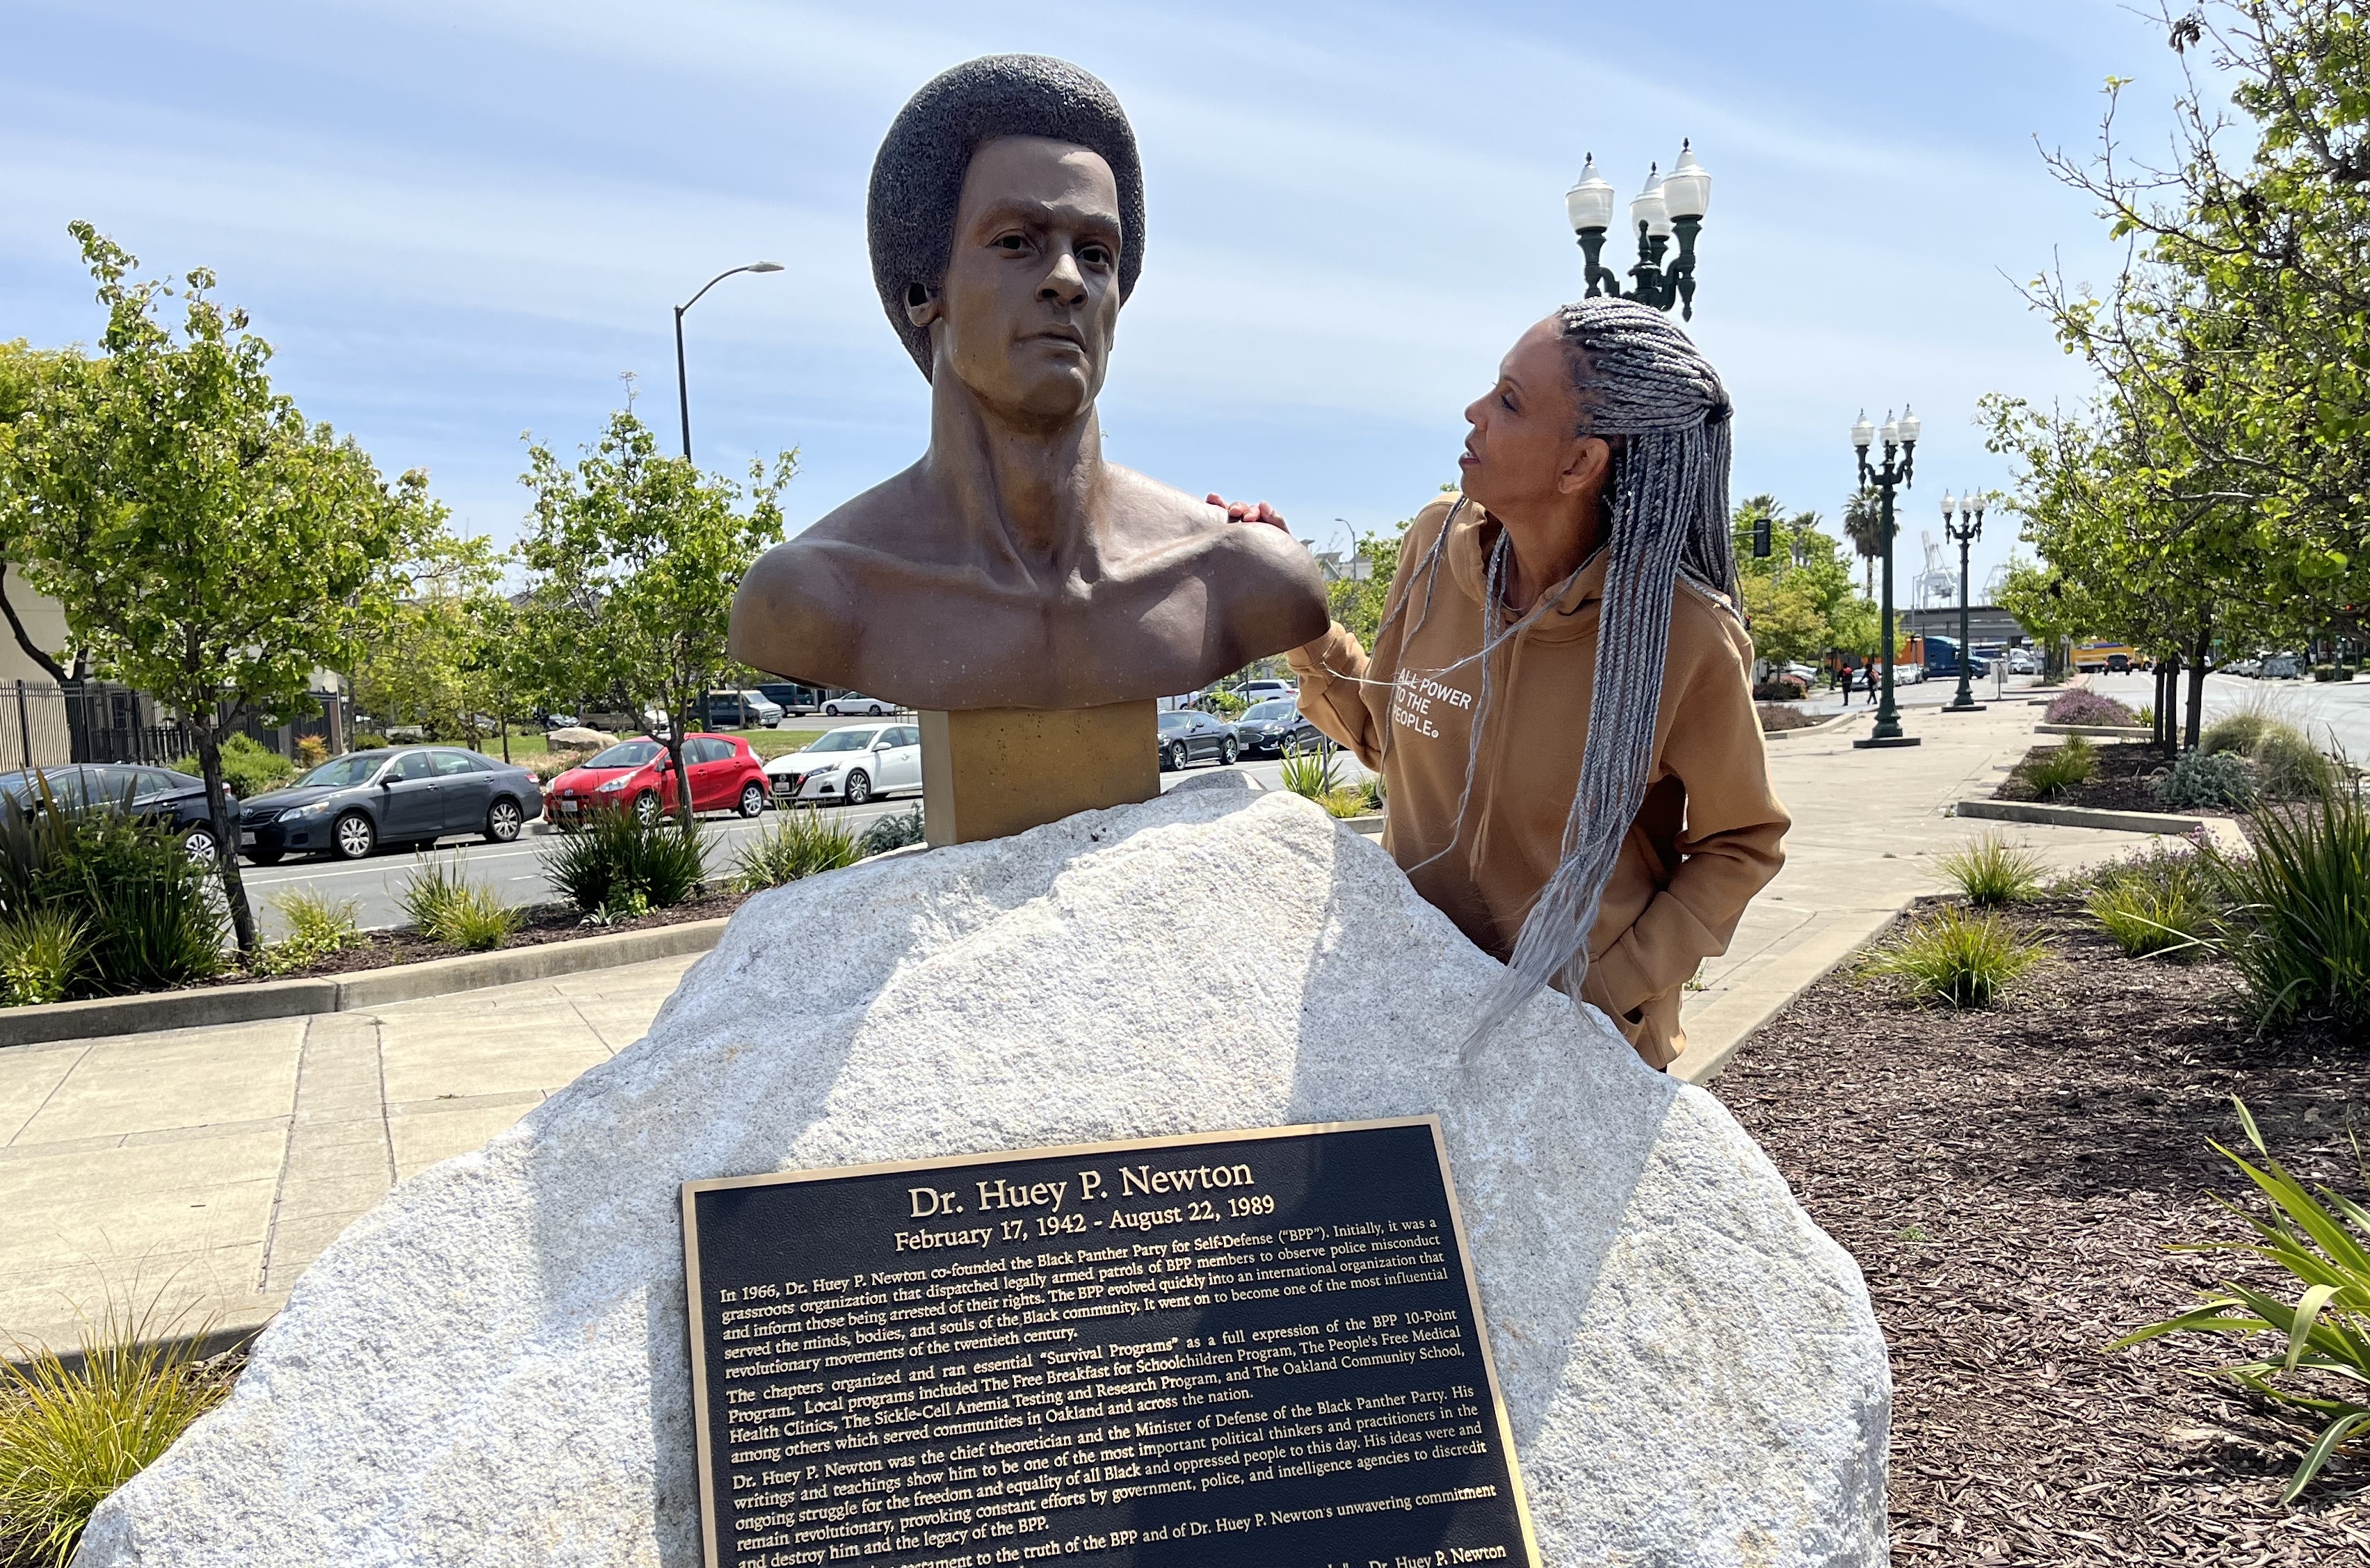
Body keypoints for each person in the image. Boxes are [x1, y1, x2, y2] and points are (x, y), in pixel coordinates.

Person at [1228, 300, 1787, 1074]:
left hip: (1582, 1052)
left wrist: (1602, 990)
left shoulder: (1685, 637)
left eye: (1511, 401)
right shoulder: (1435, 545)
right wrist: (1294, 609)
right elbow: (1386, 735)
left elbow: (1741, 842)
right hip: (1415, 1012)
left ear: (1579, 464)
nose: (1475, 411)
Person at [728, 54, 1325, 713]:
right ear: (923, 290)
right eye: (1016, 241)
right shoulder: (816, 596)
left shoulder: (1237, 575)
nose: (1069, 280)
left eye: (1096, 254)